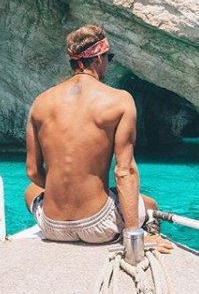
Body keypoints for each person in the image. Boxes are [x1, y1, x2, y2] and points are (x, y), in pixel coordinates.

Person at [24, 23, 172, 250]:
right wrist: (133, 234)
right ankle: (150, 233)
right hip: (98, 226)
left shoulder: (40, 102)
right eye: (108, 57)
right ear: (98, 59)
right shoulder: (120, 100)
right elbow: (125, 171)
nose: (108, 63)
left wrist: (61, 191)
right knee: (150, 203)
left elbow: (33, 171)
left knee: (31, 191)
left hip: (52, 226)